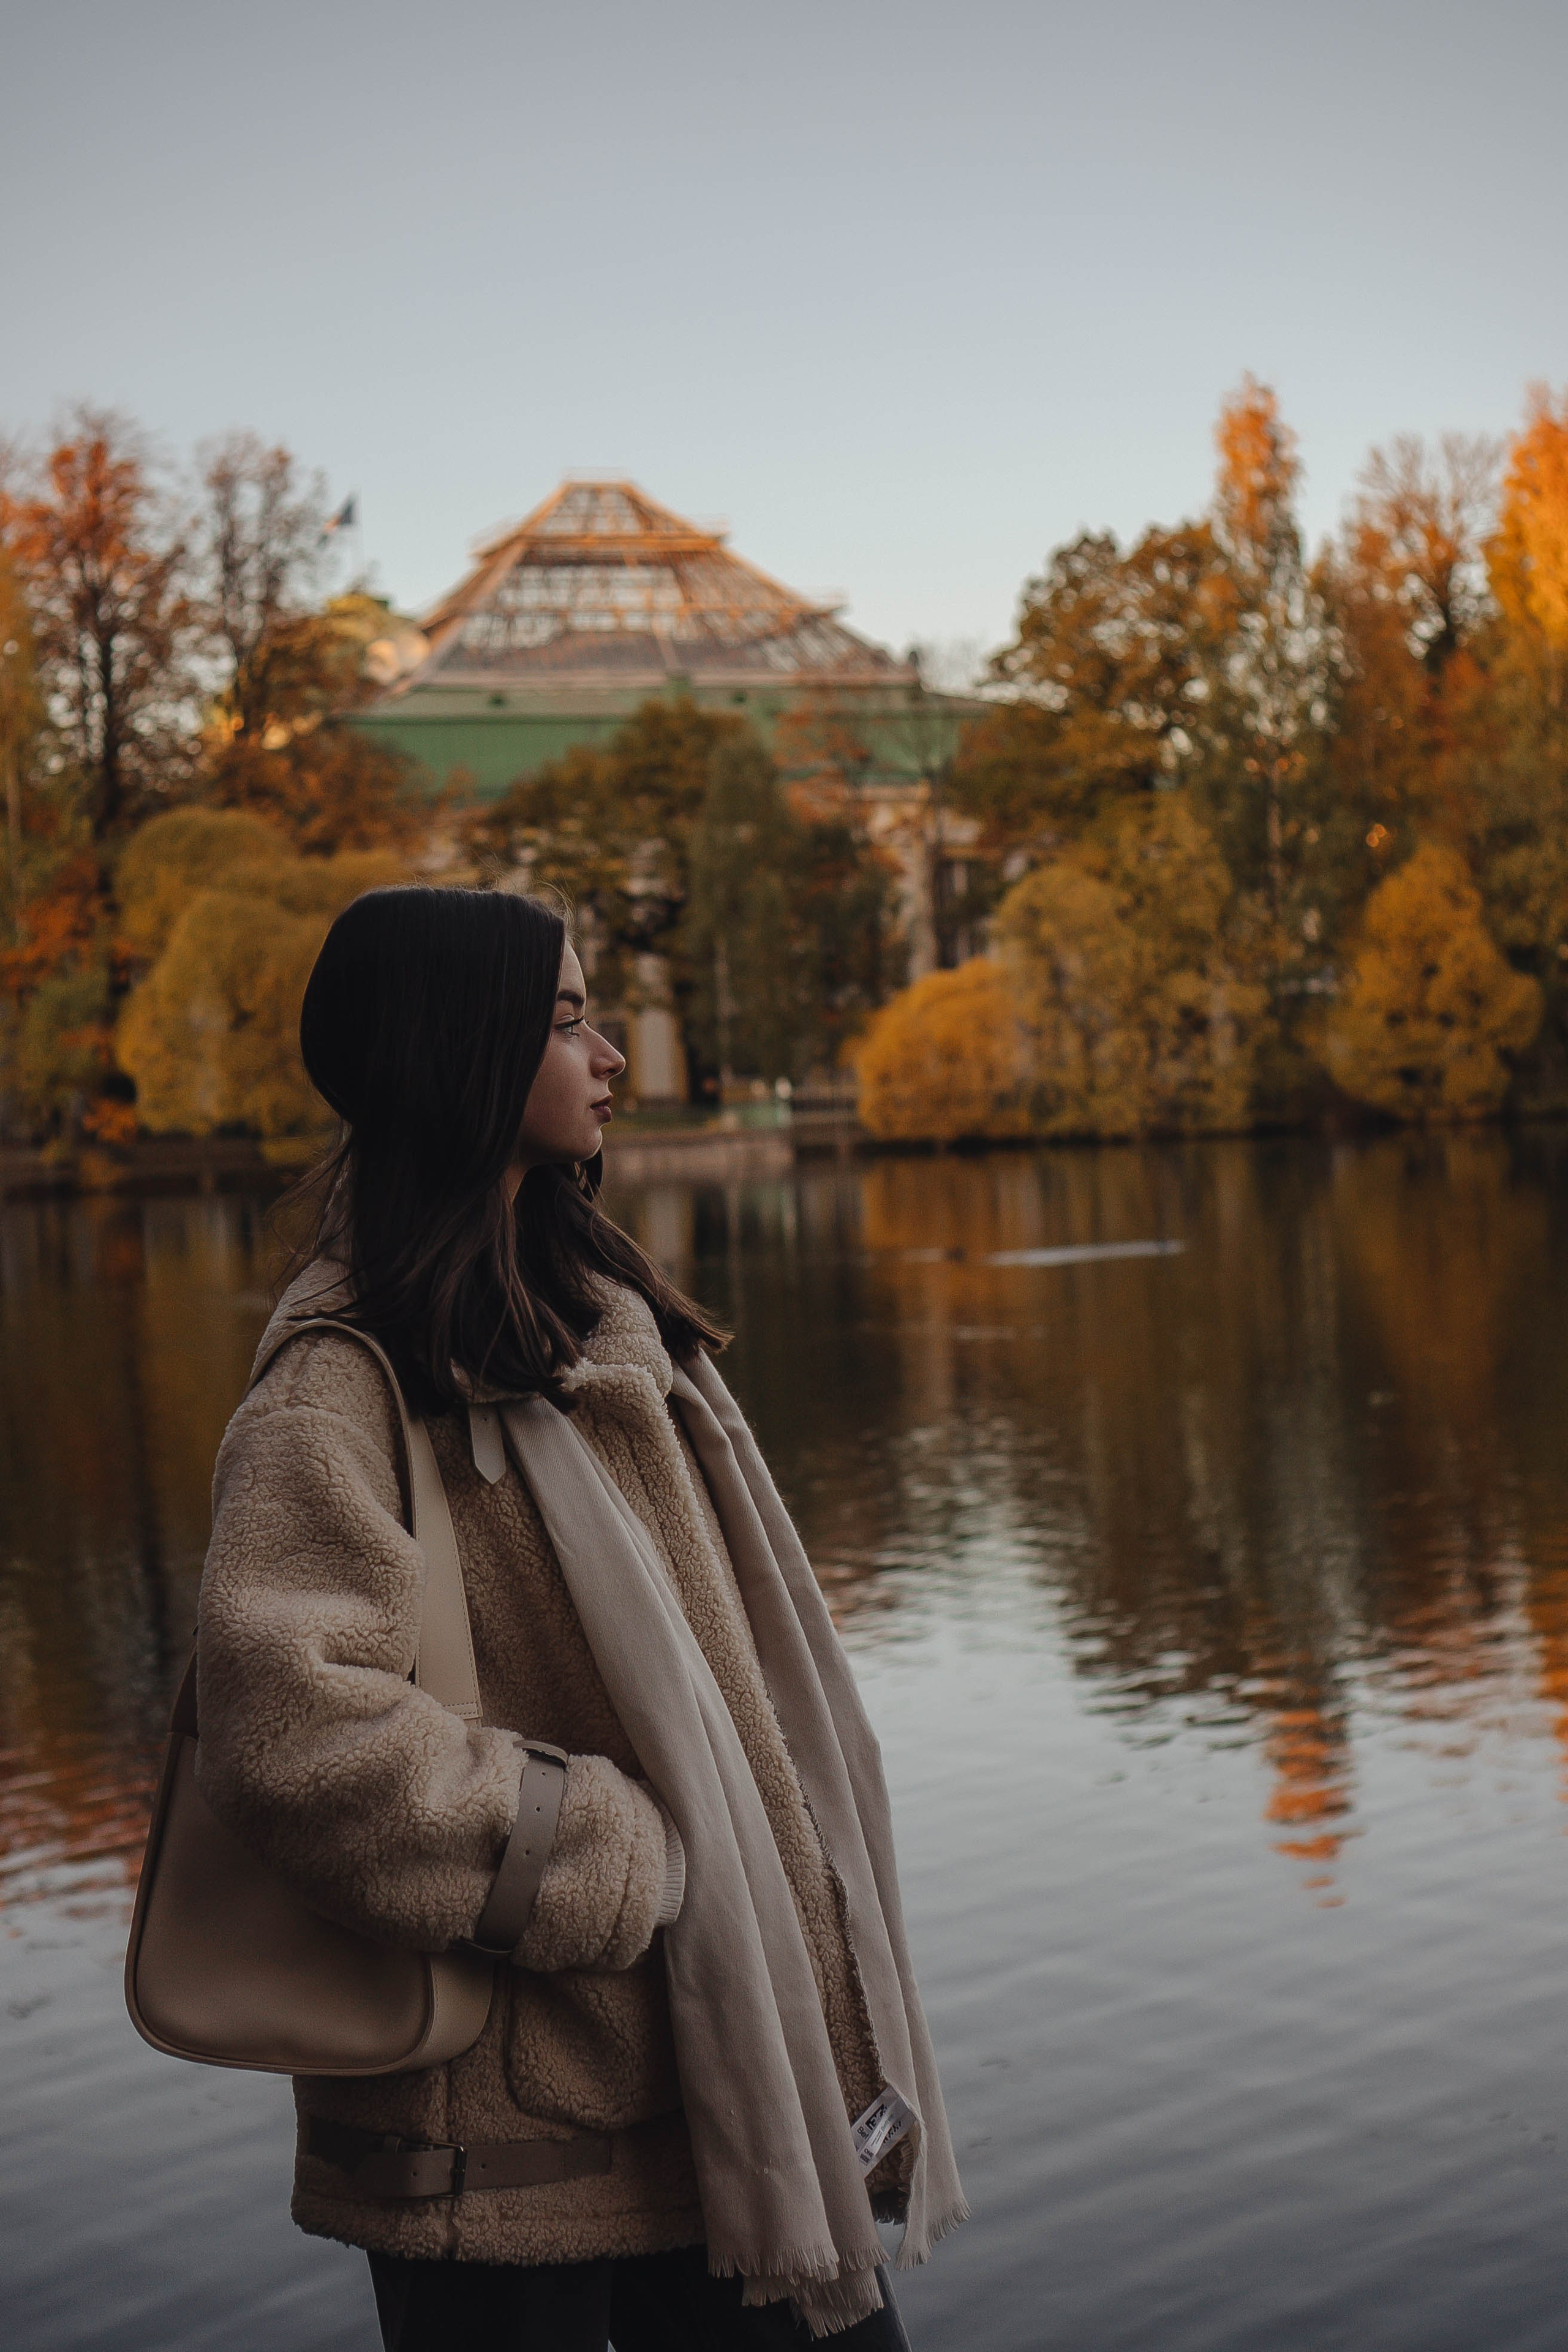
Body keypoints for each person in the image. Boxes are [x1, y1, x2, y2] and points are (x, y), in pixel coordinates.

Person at [194, 886, 965, 2351]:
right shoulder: (342, 1383)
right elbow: (289, 1731)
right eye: (563, 1022)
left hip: (719, 2084)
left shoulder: (594, 1327)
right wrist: (617, 1855)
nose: (608, 1054)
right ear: (459, 1052)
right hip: (502, 2143)